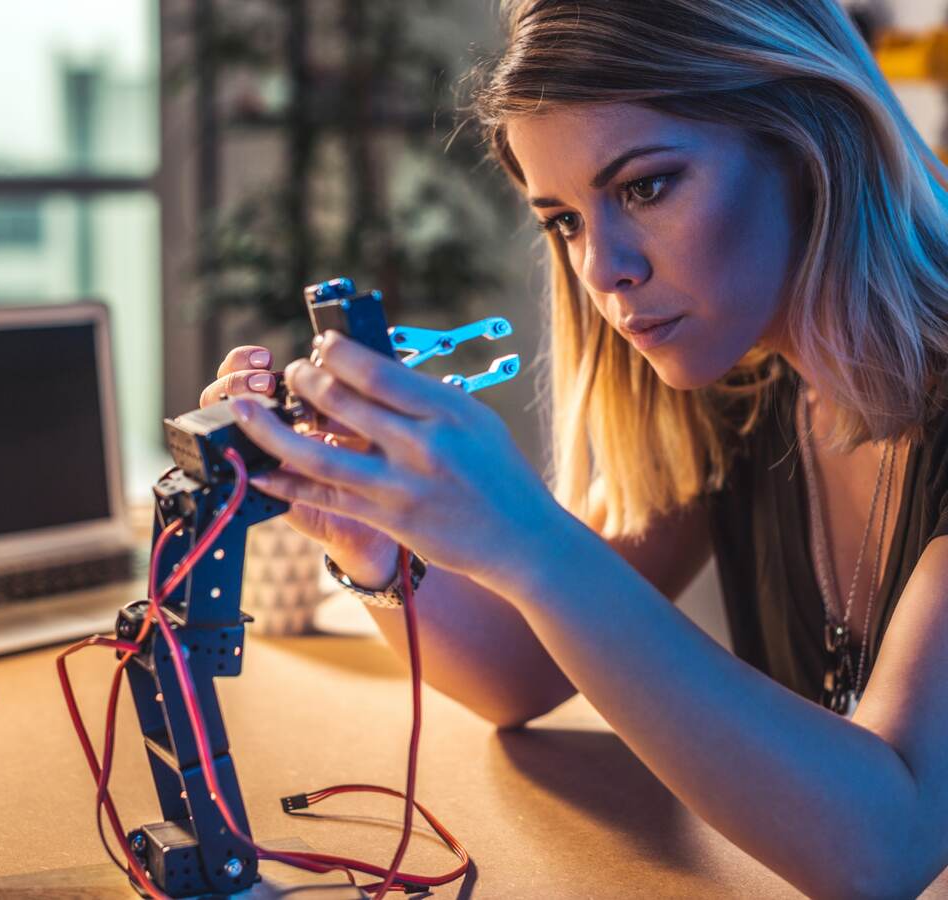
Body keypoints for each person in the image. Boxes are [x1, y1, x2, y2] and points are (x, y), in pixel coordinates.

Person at [199, 1, 948, 895]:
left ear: (805, 144)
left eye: (644, 186)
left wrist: (528, 537)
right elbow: (519, 669)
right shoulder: (746, 392)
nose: (601, 270)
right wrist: (366, 534)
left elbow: (887, 846)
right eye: (564, 220)